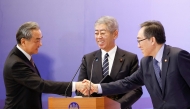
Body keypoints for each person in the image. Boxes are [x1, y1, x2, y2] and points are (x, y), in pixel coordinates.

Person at [84, 20, 190, 109]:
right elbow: (126, 83)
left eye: (139, 41)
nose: (138, 45)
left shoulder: (177, 56)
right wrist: (96, 87)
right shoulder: (146, 63)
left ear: (152, 40)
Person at [3, 21, 87, 109]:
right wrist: (76, 86)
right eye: (37, 40)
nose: (40, 44)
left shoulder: (23, 57)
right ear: (23, 41)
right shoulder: (16, 64)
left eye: (40, 39)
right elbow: (41, 85)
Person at [76, 16, 142, 109]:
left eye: (102, 33)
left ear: (115, 34)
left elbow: (136, 89)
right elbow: (79, 90)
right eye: (96, 33)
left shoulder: (130, 58)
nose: (99, 37)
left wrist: (115, 106)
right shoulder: (88, 59)